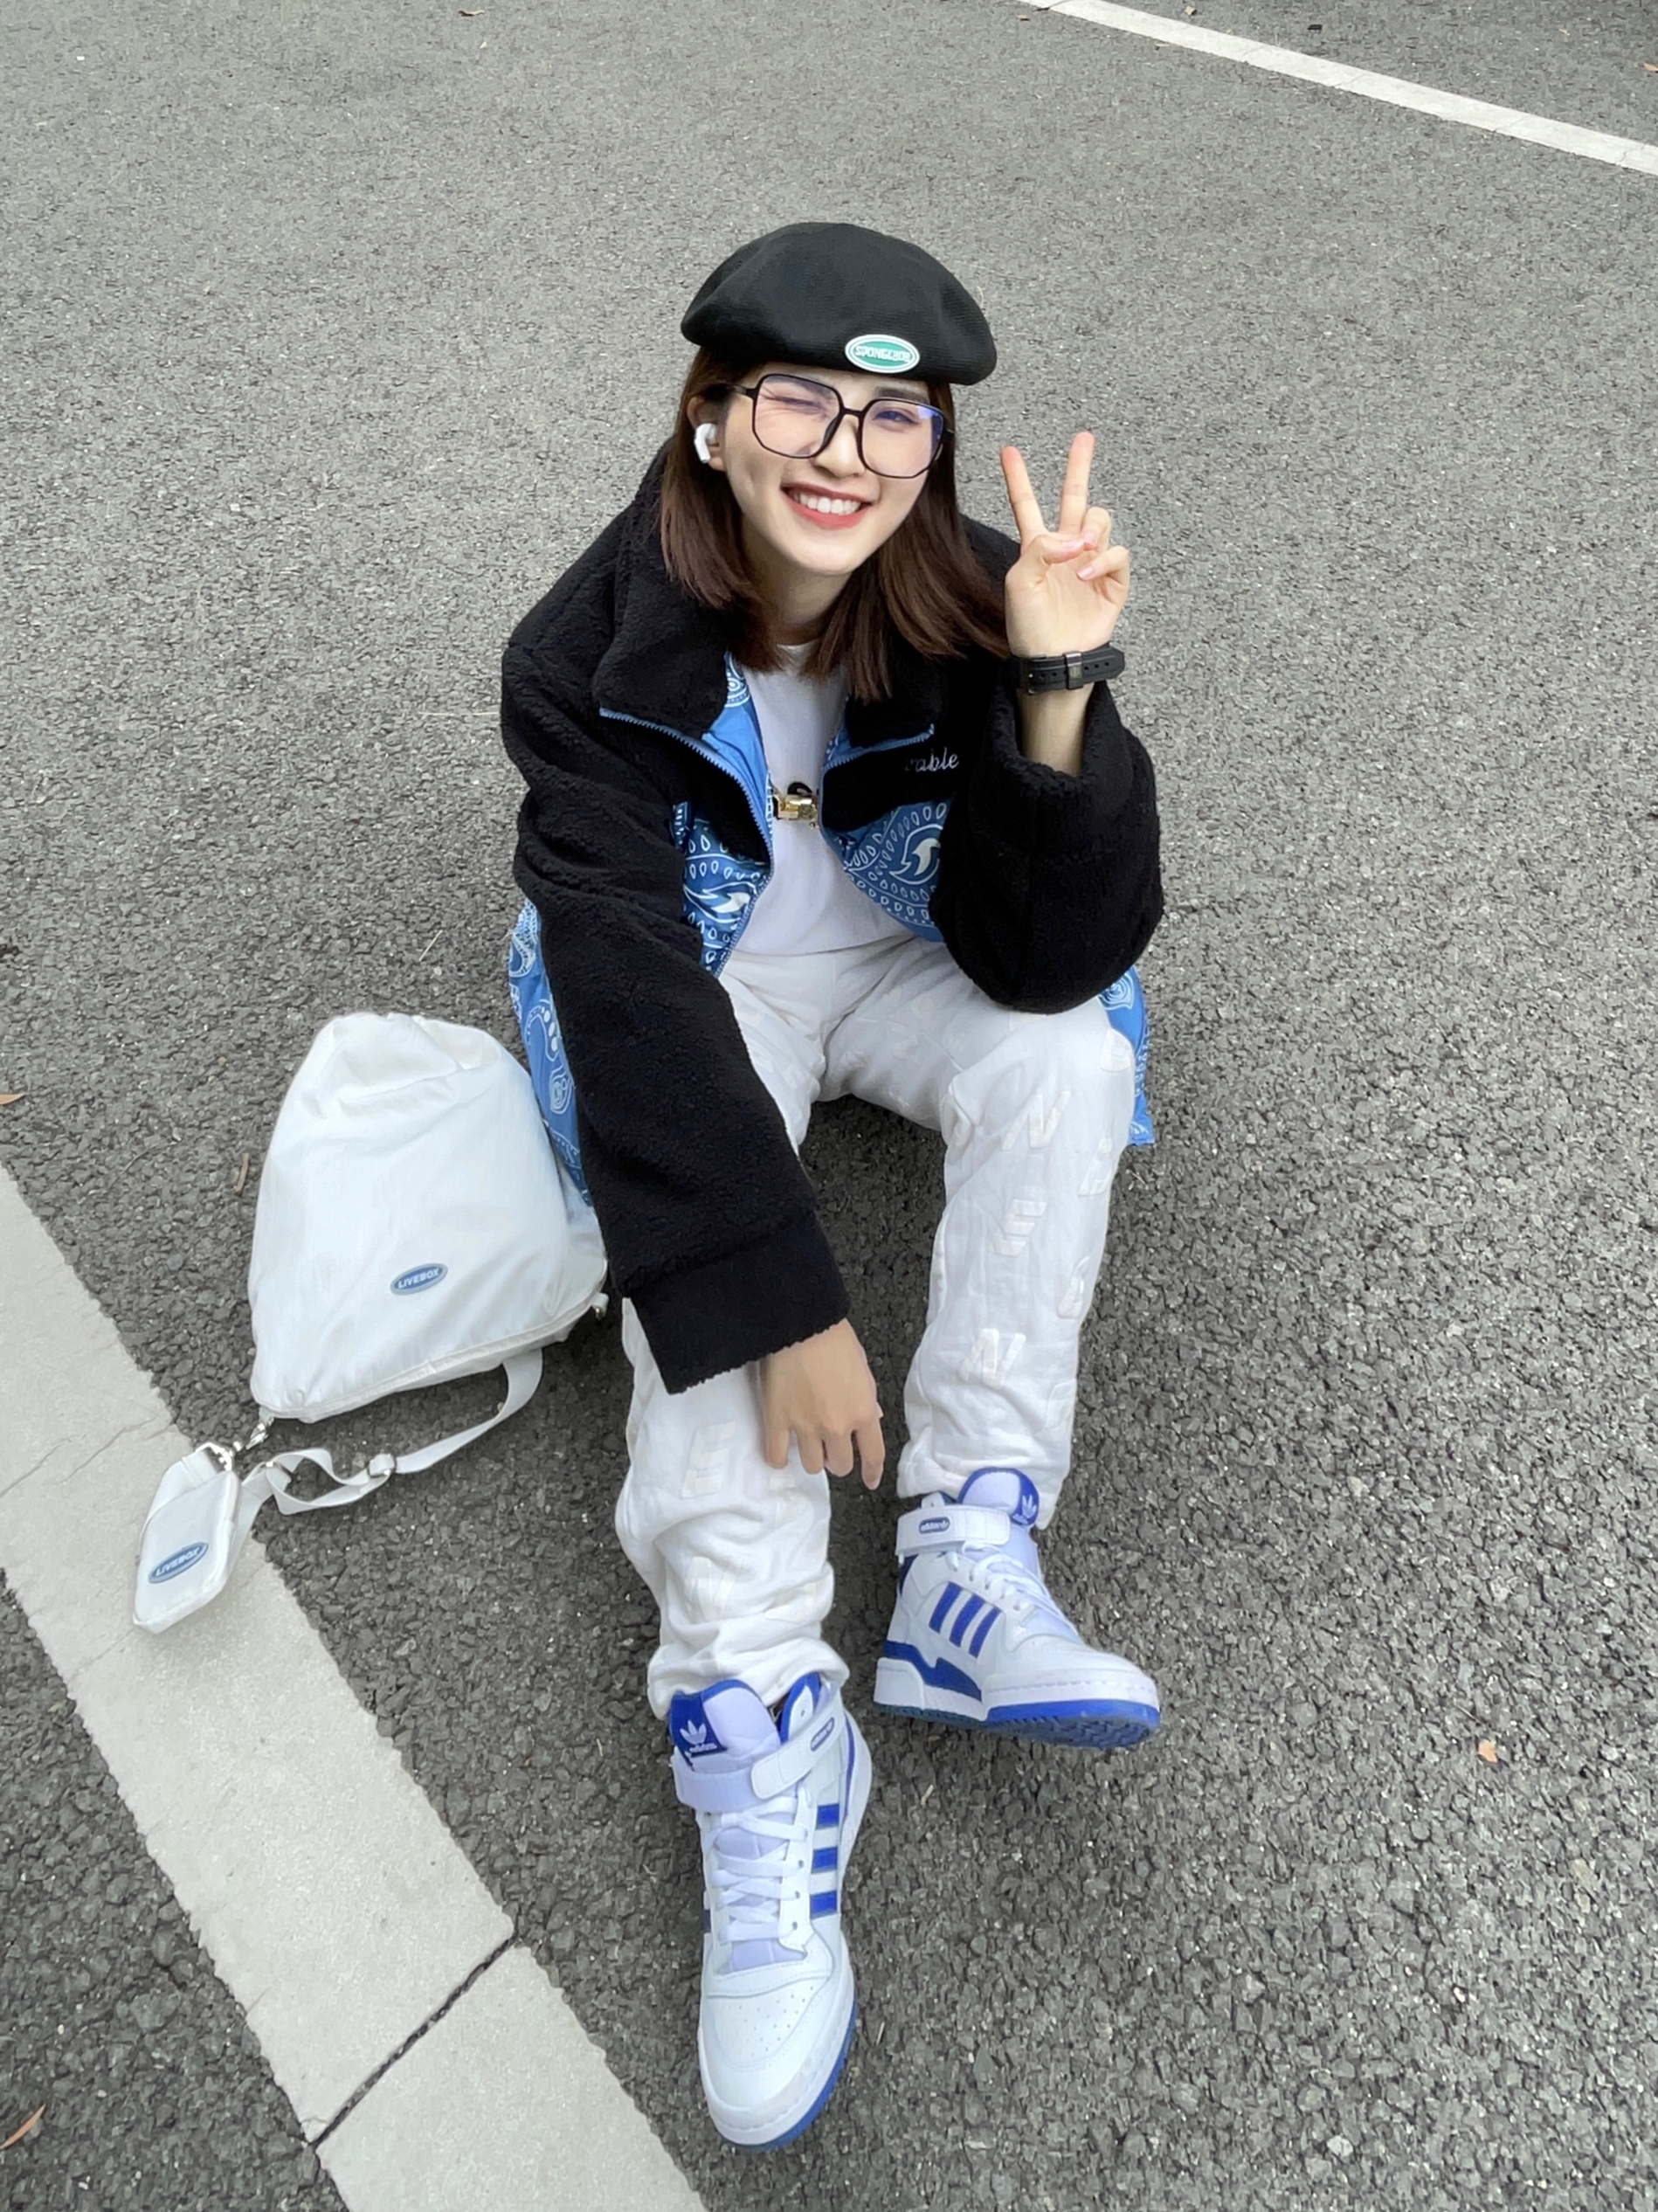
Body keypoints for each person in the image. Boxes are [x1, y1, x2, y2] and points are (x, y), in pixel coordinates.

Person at [501, 221, 1164, 2151]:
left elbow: (1052, 953)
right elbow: (627, 992)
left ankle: (968, 1554)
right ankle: (759, 1722)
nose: (846, 452)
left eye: (894, 419)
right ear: (711, 419)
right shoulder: (585, 654)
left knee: (1069, 1053)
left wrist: (1057, 689)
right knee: (694, 1240)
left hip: (898, 952)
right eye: (799, 401)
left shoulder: (971, 596)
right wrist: (780, 1299)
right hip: (708, 973)